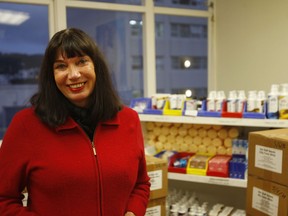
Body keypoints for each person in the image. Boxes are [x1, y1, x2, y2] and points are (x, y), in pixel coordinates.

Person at [0, 28, 150, 216]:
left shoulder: (128, 119)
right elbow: (3, 200)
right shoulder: (26, 125)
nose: (73, 75)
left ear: (96, 66)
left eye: (81, 62)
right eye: (61, 66)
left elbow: (141, 183)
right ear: (51, 75)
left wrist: (133, 212)